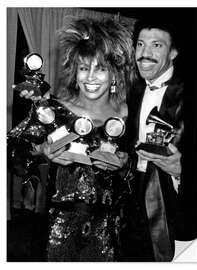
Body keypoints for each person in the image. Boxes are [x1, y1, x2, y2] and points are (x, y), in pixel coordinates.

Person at [7, 18, 136, 261]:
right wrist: (41, 150)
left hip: (112, 232)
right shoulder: (55, 110)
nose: (90, 77)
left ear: (114, 76)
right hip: (57, 231)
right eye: (83, 68)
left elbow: (140, 177)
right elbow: (13, 150)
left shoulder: (129, 115)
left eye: (100, 68)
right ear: (74, 73)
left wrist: (124, 166)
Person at [120, 17, 197, 262]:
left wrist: (181, 170)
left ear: (173, 52)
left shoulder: (194, 96)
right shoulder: (132, 91)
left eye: (157, 45)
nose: (145, 53)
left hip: (175, 205)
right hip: (131, 200)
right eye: (141, 45)